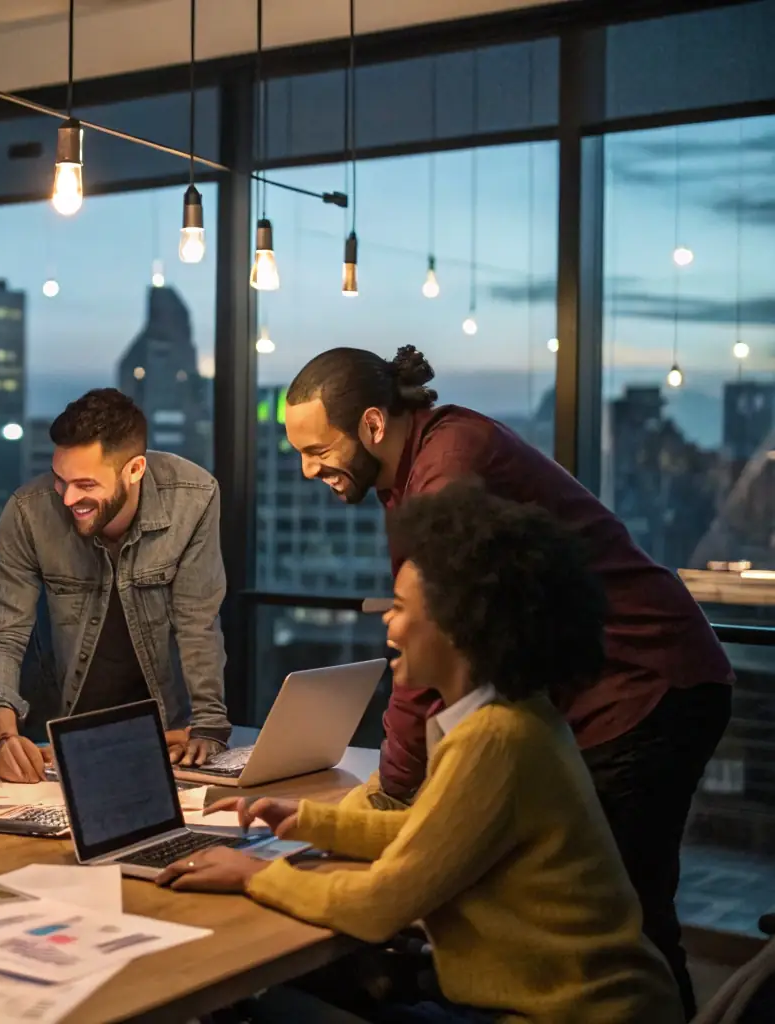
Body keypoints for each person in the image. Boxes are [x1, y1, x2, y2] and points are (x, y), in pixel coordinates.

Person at [279, 345, 731, 1015]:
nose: (306, 467)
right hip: (604, 683)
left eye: (316, 449)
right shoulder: (415, 464)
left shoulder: (448, 468)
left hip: (644, 682)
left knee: (625, 919)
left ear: (372, 424)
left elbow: (433, 633)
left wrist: (394, 790)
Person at [156, 485, 685, 1024]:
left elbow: (381, 904)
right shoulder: (518, 716)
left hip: (564, 1015)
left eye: (402, 607)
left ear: (459, 623)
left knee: (263, 1013)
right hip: (591, 1006)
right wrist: (311, 822)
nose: (388, 621)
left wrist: (253, 875)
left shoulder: (495, 740)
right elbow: (438, 835)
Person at [0, 388, 231, 783]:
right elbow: (1, 635)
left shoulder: (194, 498)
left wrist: (208, 727)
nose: (68, 497)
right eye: (60, 480)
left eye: (86, 485)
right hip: (59, 739)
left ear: (135, 470)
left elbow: (198, 621)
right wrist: (4, 737)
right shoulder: (28, 511)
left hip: (163, 736)